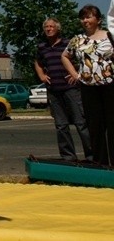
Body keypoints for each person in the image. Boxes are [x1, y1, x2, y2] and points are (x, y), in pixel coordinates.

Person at [61, 5, 114, 165]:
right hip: (88, 88)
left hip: (110, 86)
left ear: (98, 19)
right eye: (83, 18)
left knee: (113, 124)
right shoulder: (78, 40)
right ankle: (100, 162)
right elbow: (64, 56)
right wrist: (75, 74)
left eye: (89, 17)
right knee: (94, 126)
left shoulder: (110, 36)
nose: (85, 20)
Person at [34, 17, 92, 162]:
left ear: (58, 28)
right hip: (54, 90)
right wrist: (41, 75)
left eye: (51, 26)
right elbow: (37, 62)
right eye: (46, 27)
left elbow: (83, 59)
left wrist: (76, 74)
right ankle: (68, 156)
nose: (48, 29)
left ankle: (92, 155)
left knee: (81, 123)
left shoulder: (68, 44)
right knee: (61, 125)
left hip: (71, 89)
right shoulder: (42, 47)